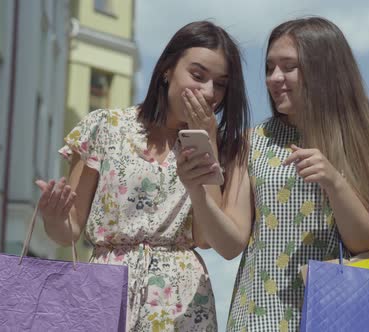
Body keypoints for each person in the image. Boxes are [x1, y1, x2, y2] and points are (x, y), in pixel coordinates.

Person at [180, 17, 369, 331]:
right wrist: (196, 190)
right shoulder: (251, 142)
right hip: (257, 319)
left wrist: (334, 183)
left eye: (288, 66)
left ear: (325, 69)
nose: (274, 78)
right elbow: (229, 245)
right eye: (270, 67)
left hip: (340, 319)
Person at [35, 21, 249, 331]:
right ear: (166, 69)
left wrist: (208, 145)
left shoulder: (220, 146)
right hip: (105, 291)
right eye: (198, 76)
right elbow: (69, 230)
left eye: (220, 84)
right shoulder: (104, 126)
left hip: (181, 304)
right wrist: (53, 217)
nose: (208, 92)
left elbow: (205, 239)